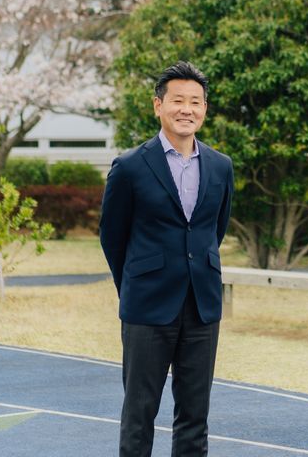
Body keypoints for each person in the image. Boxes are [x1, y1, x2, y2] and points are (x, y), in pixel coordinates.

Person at [99, 60, 234, 457]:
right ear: (158, 105)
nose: (186, 109)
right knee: (139, 414)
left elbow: (213, 230)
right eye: (177, 100)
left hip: (202, 306)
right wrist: (134, 287)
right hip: (146, 307)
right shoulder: (129, 166)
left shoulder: (221, 166)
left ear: (205, 110)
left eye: (195, 102)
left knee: (195, 417)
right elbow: (112, 237)